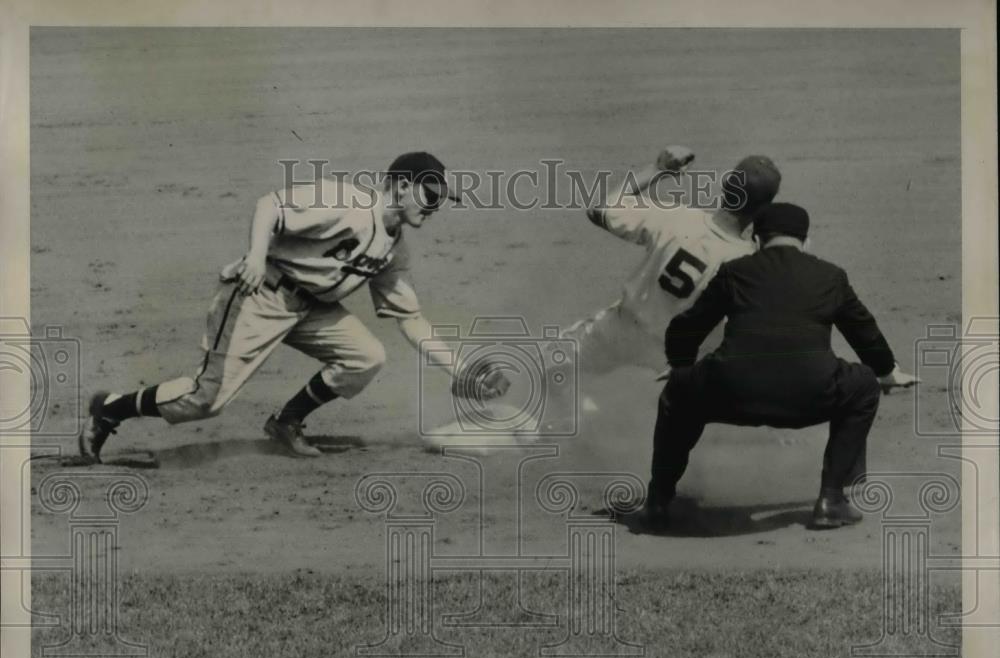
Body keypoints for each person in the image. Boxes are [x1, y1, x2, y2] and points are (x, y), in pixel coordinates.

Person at [77, 151, 508, 462]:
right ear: (399, 186)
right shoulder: (351, 205)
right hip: (260, 294)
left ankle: (286, 422)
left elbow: (411, 320)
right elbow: (271, 206)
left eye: (441, 200)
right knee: (204, 402)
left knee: (367, 357)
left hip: (311, 310)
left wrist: (462, 370)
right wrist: (256, 257)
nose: (434, 208)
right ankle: (111, 408)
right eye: (429, 195)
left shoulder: (395, 250)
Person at [650, 202, 918, 530]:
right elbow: (864, 332)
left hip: (732, 395)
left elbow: (687, 326)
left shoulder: (735, 271)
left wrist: (680, 367)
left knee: (678, 393)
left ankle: (659, 500)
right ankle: (832, 500)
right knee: (863, 384)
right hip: (809, 397)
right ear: (807, 242)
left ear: (756, 241)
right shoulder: (831, 276)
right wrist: (887, 372)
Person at [546, 146, 782, 429]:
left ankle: (570, 420)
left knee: (551, 361)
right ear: (764, 209)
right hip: (677, 362)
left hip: (621, 330)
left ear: (724, 185)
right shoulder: (752, 264)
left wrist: (658, 170)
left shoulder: (677, 218)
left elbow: (600, 209)